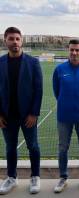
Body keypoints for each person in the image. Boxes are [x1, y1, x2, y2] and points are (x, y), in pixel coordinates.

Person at [0, 27, 43, 194]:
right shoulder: (1, 63)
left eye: (17, 39)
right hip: (7, 116)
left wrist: (34, 113)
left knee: (33, 146)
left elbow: (38, 90)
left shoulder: (33, 63)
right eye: (11, 39)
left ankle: (35, 177)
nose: (15, 42)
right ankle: (12, 177)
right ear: (5, 41)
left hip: (28, 116)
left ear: (22, 40)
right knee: (10, 147)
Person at [52, 39, 79, 193]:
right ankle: (63, 178)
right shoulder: (59, 70)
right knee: (63, 148)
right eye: (72, 50)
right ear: (68, 50)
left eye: (77, 50)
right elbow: (56, 91)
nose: (74, 53)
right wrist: (66, 104)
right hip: (64, 116)